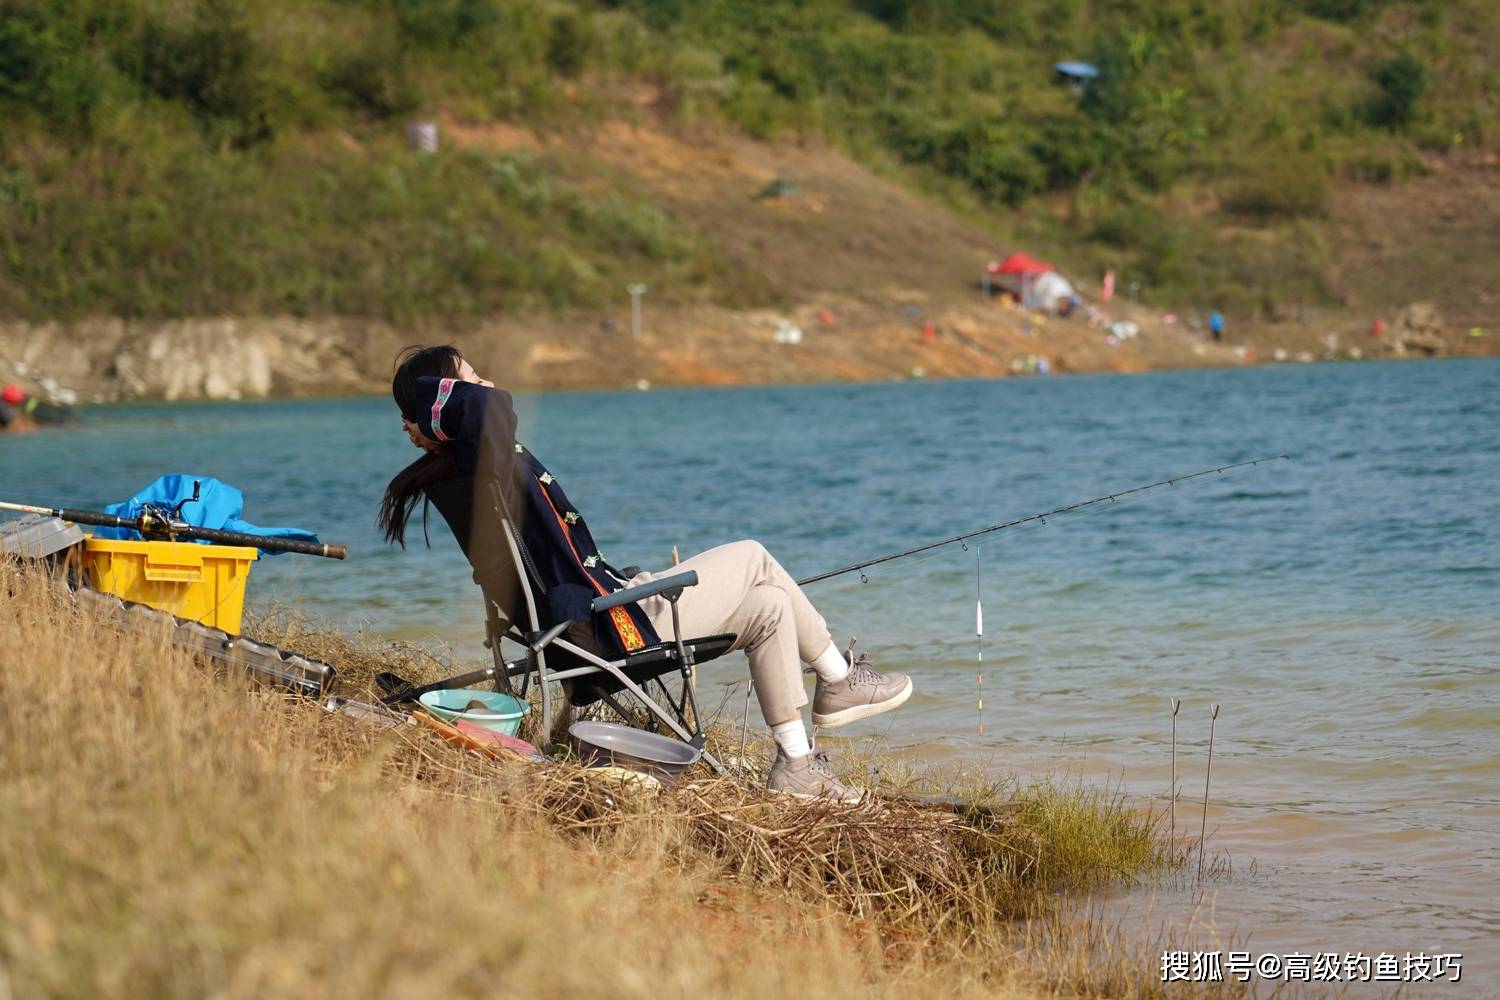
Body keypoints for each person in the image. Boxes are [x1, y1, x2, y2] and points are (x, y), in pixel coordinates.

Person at [378, 346, 913, 801]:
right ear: (445, 397)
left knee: (771, 605)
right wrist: (431, 404)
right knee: (753, 554)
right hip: (609, 626)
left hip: (594, 614)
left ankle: (796, 766)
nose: (486, 382)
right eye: (470, 377)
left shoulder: (469, 469)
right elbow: (492, 407)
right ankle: (840, 681)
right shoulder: (484, 459)